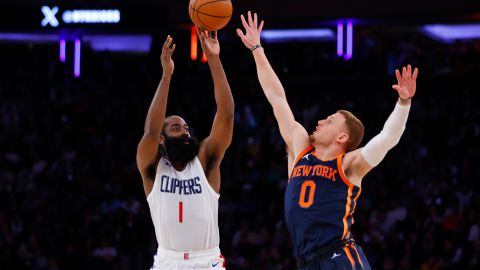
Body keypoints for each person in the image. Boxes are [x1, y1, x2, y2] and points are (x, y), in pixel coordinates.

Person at [236, 11, 418, 270]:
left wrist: (403, 102)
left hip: (340, 257)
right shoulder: (301, 148)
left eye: (330, 121)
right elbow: (277, 97)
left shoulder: (349, 165)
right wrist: (256, 49)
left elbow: (388, 138)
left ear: (342, 137)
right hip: (307, 261)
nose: (320, 121)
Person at [136, 30, 234, 270]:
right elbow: (151, 130)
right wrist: (166, 76)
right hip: (168, 261)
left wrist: (214, 59)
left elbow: (227, 113)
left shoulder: (206, 161)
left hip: (206, 260)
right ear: (163, 138)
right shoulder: (152, 167)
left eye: (187, 128)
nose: (186, 133)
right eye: (177, 128)